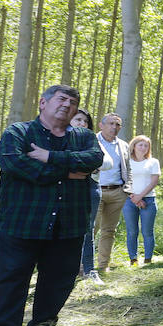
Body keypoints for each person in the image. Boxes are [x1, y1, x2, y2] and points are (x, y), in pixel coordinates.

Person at [0, 84, 103, 326]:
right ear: (42, 103)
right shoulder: (19, 132)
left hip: (68, 223)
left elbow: (94, 159)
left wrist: (49, 157)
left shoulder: (83, 136)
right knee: (12, 276)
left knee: (60, 277)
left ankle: (43, 323)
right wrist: (66, 171)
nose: (66, 105)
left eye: (72, 102)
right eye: (61, 99)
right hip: (22, 221)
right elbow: (14, 163)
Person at [70, 109, 105, 284]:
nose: (82, 123)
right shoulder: (59, 138)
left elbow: (103, 161)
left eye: (85, 121)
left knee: (87, 229)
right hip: (65, 188)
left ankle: (89, 269)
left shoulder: (91, 139)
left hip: (90, 187)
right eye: (78, 119)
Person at [93, 112, 130, 274]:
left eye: (117, 124)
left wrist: (127, 189)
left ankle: (103, 265)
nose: (114, 127)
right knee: (91, 229)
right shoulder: (92, 141)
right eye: (110, 123)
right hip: (96, 190)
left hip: (117, 192)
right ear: (101, 125)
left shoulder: (124, 145)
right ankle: (82, 266)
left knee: (109, 231)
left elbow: (128, 168)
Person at [123, 135, 161, 265]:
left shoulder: (153, 161)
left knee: (147, 231)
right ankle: (133, 259)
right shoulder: (126, 161)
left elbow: (154, 181)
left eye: (146, 145)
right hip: (129, 200)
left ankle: (148, 259)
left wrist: (140, 196)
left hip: (149, 200)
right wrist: (135, 198)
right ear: (133, 146)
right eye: (140, 144)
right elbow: (123, 180)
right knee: (132, 231)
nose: (143, 147)